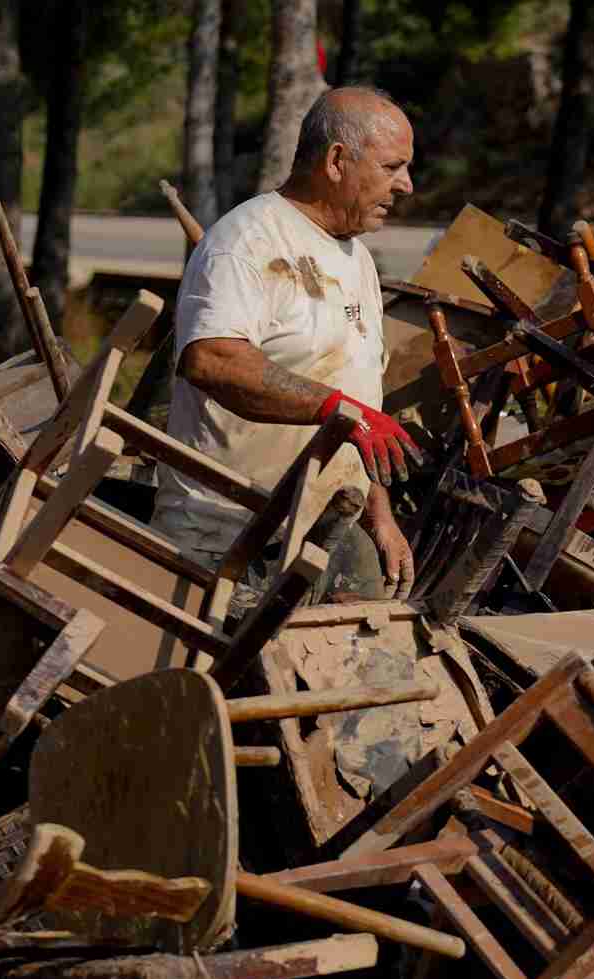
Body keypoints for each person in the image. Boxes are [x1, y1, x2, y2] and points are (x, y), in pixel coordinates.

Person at [151, 86, 422, 606]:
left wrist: (381, 517)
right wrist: (336, 410)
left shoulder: (357, 259)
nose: (406, 185)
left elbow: (361, 400)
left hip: (326, 536)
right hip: (228, 541)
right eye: (392, 167)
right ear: (338, 161)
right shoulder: (246, 241)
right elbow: (211, 358)